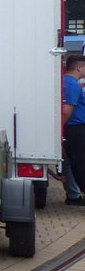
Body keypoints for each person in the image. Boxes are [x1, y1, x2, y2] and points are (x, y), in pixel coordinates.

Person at [61, 54, 85, 206]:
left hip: (74, 129)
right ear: (79, 67)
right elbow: (66, 110)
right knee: (80, 163)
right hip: (75, 130)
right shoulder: (71, 84)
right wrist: (60, 131)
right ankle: (78, 192)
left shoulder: (69, 82)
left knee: (69, 162)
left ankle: (74, 194)